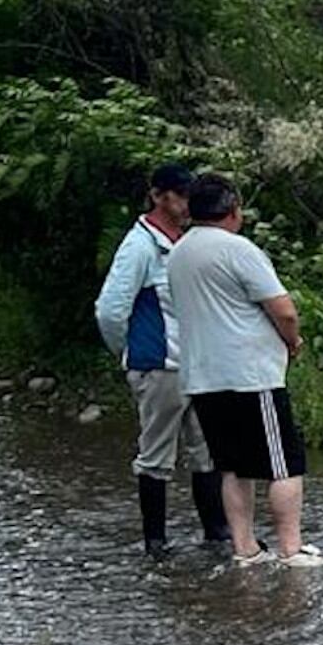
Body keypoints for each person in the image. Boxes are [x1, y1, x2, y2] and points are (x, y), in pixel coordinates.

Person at [166, 173, 323, 569]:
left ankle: (245, 550)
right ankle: (291, 550)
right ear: (233, 210)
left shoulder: (179, 252)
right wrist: (292, 342)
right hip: (250, 375)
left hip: (202, 376)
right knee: (285, 464)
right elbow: (284, 309)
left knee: (232, 467)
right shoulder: (237, 249)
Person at [93, 162, 231, 556]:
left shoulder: (183, 241)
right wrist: (131, 353)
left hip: (196, 365)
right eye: (181, 195)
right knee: (156, 455)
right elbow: (110, 310)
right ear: (158, 196)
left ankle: (216, 533)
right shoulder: (140, 247)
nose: (188, 203)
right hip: (158, 366)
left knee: (208, 451)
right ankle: (156, 542)